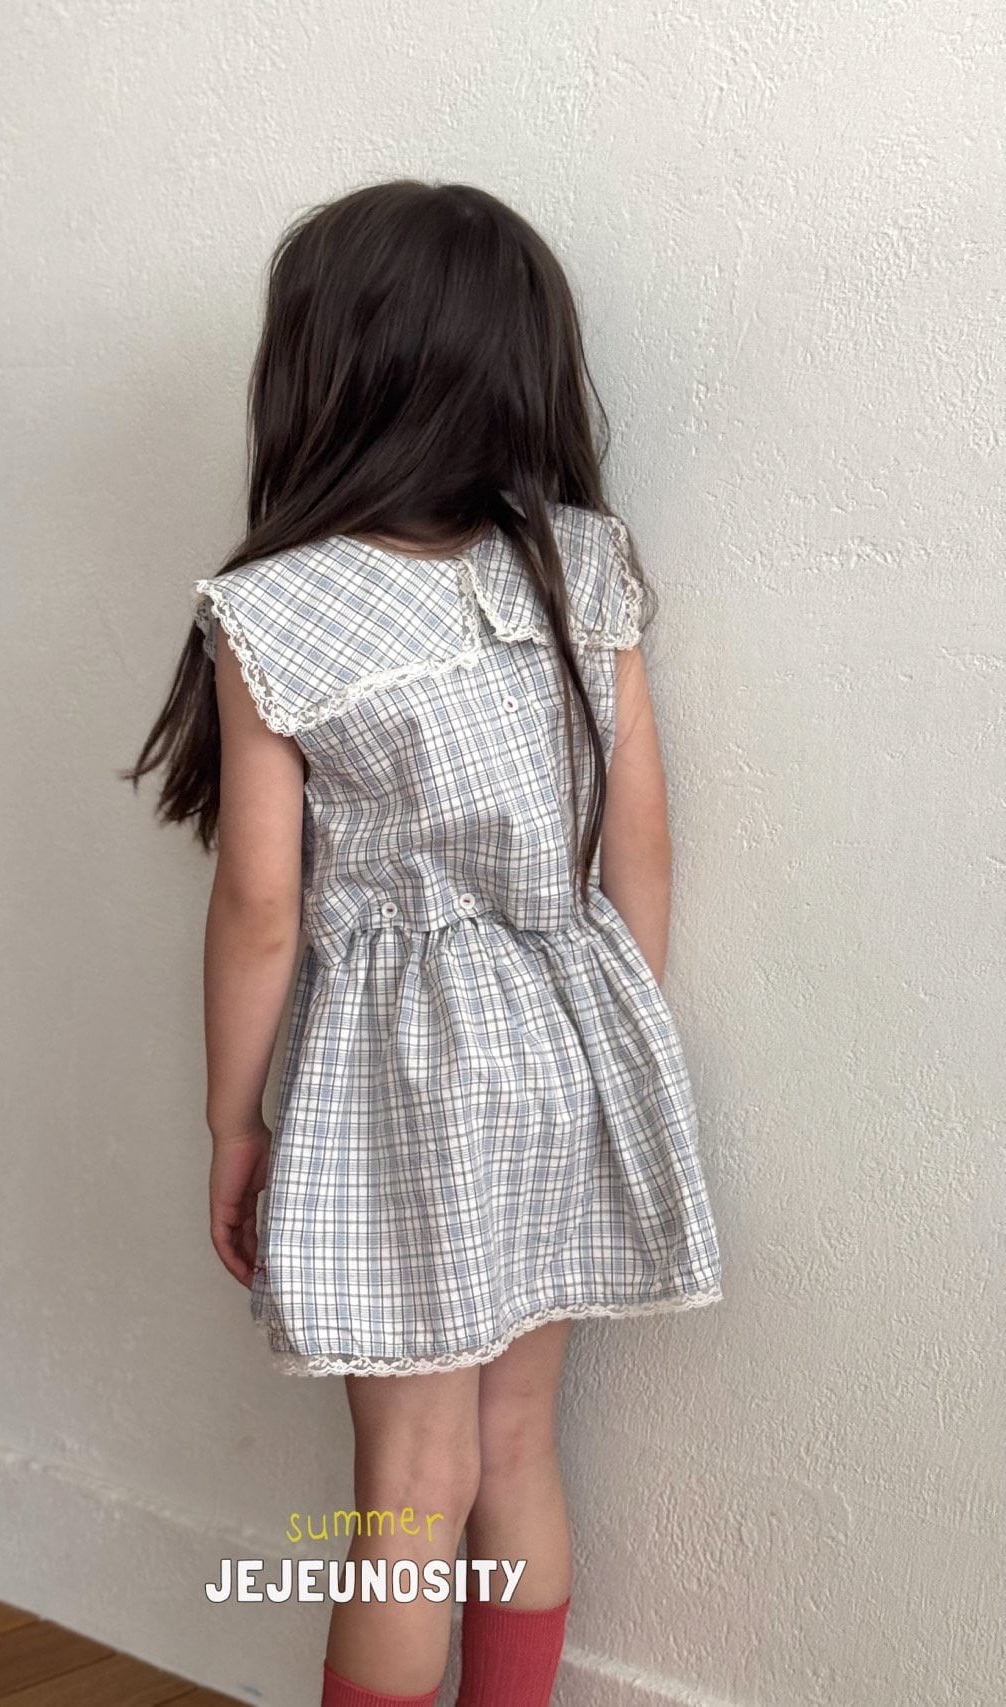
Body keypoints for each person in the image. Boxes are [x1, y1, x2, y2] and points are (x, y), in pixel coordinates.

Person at [127, 179, 724, 1707]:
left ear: (324, 371)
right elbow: (638, 846)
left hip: (403, 1079)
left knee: (407, 1485)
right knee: (517, 1449)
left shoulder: (277, 610)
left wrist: (232, 1121)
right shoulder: (582, 563)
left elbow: (261, 907)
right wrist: (612, 1037)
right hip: (569, 1040)